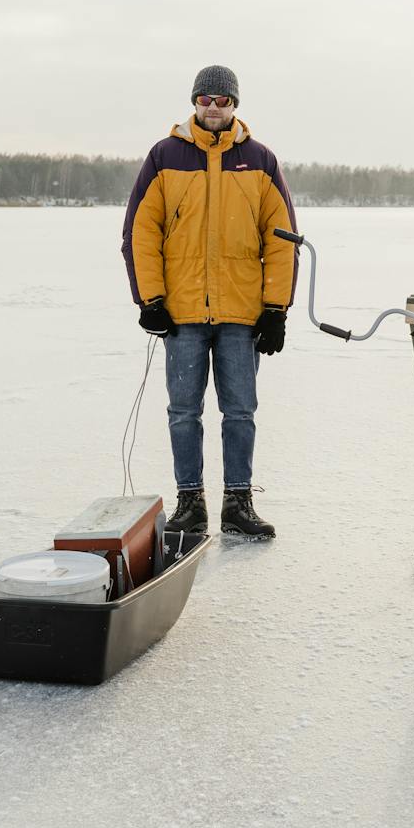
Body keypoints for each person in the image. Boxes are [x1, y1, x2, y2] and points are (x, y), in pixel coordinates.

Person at [121, 65, 295, 539]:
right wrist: (150, 300)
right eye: (206, 99)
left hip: (242, 313)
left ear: (235, 105)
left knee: (240, 412)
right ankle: (190, 502)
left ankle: (238, 503)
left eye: (223, 100)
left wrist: (275, 309)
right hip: (182, 314)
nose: (214, 107)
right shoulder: (165, 156)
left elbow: (281, 239)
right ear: (194, 102)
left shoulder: (259, 160)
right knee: (183, 412)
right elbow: (141, 232)